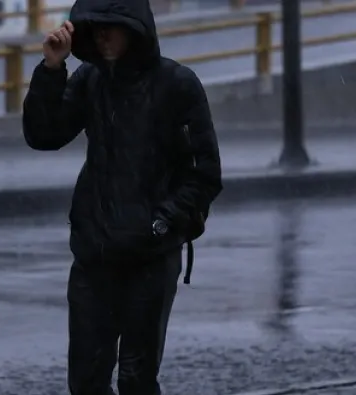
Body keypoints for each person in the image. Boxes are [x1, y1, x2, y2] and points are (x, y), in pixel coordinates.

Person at [20, 0, 223, 393]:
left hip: (149, 257)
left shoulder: (176, 85)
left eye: (111, 27)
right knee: (86, 380)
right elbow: (43, 135)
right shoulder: (89, 79)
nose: (103, 37)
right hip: (93, 254)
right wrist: (51, 69)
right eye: (95, 29)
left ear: (135, 29)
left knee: (136, 379)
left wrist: (162, 221)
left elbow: (203, 173)